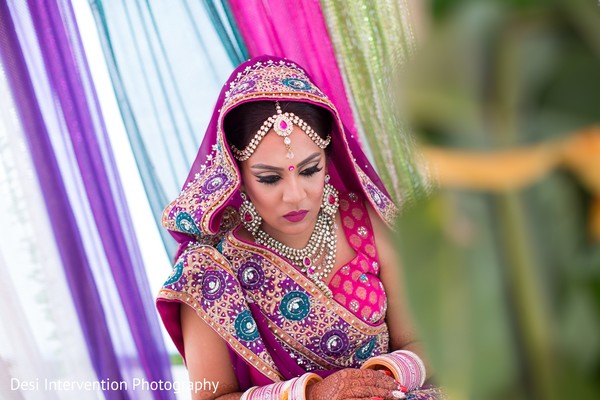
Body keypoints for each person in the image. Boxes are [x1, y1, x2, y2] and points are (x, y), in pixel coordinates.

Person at [156, 55, 444, 400]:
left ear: (328, 157)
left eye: (309, 170)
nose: (295, 196)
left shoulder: (365, 221)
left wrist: (381, 378)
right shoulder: (210, 268)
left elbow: (421, 342)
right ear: (237, 175)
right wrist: (312, 395)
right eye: (269, 178)